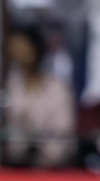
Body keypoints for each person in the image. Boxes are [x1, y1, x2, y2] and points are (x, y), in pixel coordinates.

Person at [4, 26, 76, 167]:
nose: (20, 55)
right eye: (16, 50)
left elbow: (63, 132)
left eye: (25, 49)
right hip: (12, 165)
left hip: (51, 168)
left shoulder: (57, 88)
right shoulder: (7, 86)